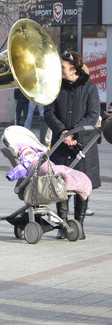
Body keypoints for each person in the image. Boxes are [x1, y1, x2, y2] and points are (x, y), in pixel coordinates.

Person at [44, 50, 100, 239]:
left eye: (62, 67)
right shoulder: (55, 87)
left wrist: (73, 133)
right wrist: (62, 132)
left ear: (74, 68)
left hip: (83, 144)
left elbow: (93, 115)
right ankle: (63, 225)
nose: (60, 70)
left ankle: (79, 226)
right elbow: (48, 112)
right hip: (61, 143)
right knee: (61, 186)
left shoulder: (90, 88)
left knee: (81, 187)